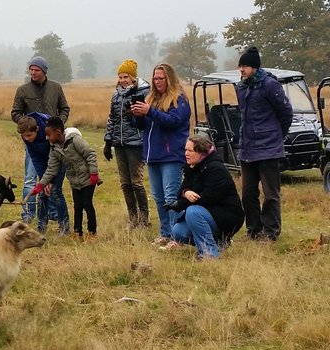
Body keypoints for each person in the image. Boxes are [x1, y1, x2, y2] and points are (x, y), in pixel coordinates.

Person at [235, 46, 293, 241]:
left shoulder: (270, 85)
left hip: (268, 148)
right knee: (248, 194)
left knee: (270, 194)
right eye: (240, 66)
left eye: (245, 66)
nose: (241, 70)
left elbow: (286, 113)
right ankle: (253, 230)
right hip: (247, 148)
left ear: (254, 67)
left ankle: (271, 232)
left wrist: (276, 136)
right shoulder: (241, 87)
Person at [130, 63, 190, 247]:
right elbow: (142, 126)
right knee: (158, 197)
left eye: (160, 78)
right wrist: (138, 115)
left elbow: (174, 121)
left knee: (172, 197)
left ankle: (178, 236)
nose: (157, 82)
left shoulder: (179, 99)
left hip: (171, 155)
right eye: (154, 78)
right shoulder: (151, 99)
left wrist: (151, 112)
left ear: (169, 79)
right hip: (153, 154)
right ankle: (165, 233)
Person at [11, 55, 71, 228]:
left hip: (53, 140)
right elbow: (15, 112)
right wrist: (27, 125)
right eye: (31, 69)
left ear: (44, 71)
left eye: (36, 70)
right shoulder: (23, 90)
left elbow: (65, 108)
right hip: (33, 139)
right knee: (31, 178)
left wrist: (58, 123)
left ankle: (53, 214)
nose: (33, 72)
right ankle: (28, 213)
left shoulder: (55, 87)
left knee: (52, 178)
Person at [164, 133, 243, 260]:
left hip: (228, 214)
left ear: (201, 152)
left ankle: (209, 254)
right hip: (207, 211)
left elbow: (208, 198)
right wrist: (185, 193)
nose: (186, 154)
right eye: (185, 150)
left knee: (193, 212)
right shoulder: (192, 166)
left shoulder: (216, 168)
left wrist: (180, 204)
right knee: (178, 231)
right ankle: (219, 242)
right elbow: (181, 190)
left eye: (190, 150)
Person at [30, 118, 101, 239]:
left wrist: (93, 173)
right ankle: (77, 232)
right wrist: (41, 185)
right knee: (77, 206)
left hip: (88, 179)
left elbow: (90, 154)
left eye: (48, 135)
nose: (47, 138)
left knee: (87, 204)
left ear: (57, 132)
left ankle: (92, 232)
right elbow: (51, 169)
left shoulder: (75, 140)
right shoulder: (54, 149)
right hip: (75, 182)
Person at [104, 59, 151, 229]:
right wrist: (108, 141)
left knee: (136, 181)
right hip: (119, 142)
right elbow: (112, 118)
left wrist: (134, 115)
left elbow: (147, 117)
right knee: (125, 182)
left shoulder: (144, 92)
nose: (123, 80)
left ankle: (144, 218)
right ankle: (133, 218)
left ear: (133, 77)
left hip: (136, 142)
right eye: (120, 77)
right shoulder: (116, 95)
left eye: (126, 76)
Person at [16, 115, 69, 233]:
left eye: (29, 135)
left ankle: (64, 228)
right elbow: (35, 158)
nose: (26, 139)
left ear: (37, 129)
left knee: (55, 192)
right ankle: (41, 227)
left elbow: (53, 159)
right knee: (42, 194)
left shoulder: (48, 132)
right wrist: (43, 180)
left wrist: (49, 180)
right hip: (45, 163)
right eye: (23, 136)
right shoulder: (27, 138)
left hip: (58, 160)